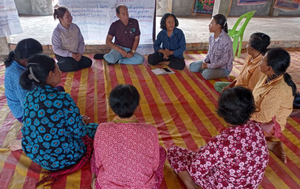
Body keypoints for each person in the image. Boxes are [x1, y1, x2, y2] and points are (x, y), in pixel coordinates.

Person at [11, 54, 98, 186]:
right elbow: (79, 132)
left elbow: (33, 126)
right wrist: (81, 123)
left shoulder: (29, 97)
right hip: (67, 158)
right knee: (95, 129)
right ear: (51, 75)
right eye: (57, 69)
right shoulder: (63, 99)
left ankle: (22, 144)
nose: (60, 71)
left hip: (39, 157)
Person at [167, 87, 269, 189]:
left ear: (222, 114)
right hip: (251, 185)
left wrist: (203, 153)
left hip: (224, 186)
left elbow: (196, 170)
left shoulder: (222, 142)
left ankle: (188, 183)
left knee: (174, 152)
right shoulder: (257, 128)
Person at [91, 84, 166, 189]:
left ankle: (95, 182)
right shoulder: (150, 130)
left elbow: (99, 162)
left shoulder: (102, 129)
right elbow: (154, 165)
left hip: (107, 186)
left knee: (96, 153)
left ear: (112, 107)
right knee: (161, 151)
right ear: (137, 106)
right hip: (144, 186)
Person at [251, 48, 296, 163]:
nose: (260, 61)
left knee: (239, 134)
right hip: (257, 113)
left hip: (270, 124)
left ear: (269, 68)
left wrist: (243, 115)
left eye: (263, 61)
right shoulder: (267, 76)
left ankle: (269, 143)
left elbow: (265, 118)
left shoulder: (278, 90)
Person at [4, 38, 43, 122]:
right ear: (27, 60)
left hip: (28, 98)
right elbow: (28, 106)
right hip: (24, 113)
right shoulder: (17, 75)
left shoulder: (18, 63)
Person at [189, 14, 233, 80]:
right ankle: (208, 70)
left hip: (223, 68)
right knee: (192, 67)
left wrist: (209, 66)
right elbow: (209, 53)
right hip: (212, 63)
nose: (209, 25)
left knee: (206, 74)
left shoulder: (226, 40)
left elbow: (224, 60)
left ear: (218, 26)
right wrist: (205, 61)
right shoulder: (211, 37)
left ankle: (209, 71)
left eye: (211, 23)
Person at [52, 6, 92, 72]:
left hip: (75, 54)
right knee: (73, 66)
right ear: (61, 19)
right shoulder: (57, 31)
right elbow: (56, 49)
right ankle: (57, 66)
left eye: (70, 16)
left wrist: (80, 53)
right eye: (67, 17)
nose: (70, 18)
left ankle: (73, 64)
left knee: (88, 62)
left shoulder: (75, 27)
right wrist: (70, 55)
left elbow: (81, 42)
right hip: (63, 55)